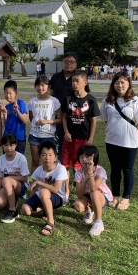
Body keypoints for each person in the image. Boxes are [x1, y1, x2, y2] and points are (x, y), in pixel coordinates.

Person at [100, 72, 138, 210]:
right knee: (115, 169)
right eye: (117, 82)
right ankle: (115, 196)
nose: (120, 85)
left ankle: (126, 198)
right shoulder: (107, 101)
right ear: (113, 84)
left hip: (130, 143)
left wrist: (135, 137)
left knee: (127, 170)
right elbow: (105, 119)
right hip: (112, 141)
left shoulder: (136, 101)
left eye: (123, 82)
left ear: (129, 84)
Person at [61, 69, 100, 198]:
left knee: (79, 166)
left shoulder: (91, 100)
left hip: (83, 139)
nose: (74, 83)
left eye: (77, 81)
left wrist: (91, 139)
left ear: (85, 83)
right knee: (65, 165)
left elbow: (94, 121)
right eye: (73, 81)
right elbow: (64, 117)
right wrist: (66, 132)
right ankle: (66, 190)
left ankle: (81, 192)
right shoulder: (68, 99)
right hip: (69, 139)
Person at [20, 140, 67, 236]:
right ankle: (45, 208)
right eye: (44, 155)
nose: (47, 158)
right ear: (40, 157)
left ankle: (50, 222)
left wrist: (39, 183)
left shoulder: (60, 168)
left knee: (44, 191)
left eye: (50, 155)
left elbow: (54, 189)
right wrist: (31, 200)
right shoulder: (38, 170)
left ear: (55, 157)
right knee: (26, 210)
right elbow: (33, 188)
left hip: (57, 197)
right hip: (42, 196)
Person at [49, 52, 85, 161]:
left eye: (72, 62)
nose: (68, 64)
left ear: (76, 64)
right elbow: (50, 95)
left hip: (75, 119)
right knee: (59, 147)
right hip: (58, 118)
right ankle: (61, 173)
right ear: (62, 63)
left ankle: (78, 174)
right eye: (66, 61)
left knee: (76, 149)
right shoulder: (55, 77)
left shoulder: (78, 78)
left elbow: (85, 96)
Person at [73, 145, 112, 236]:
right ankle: (90, 211)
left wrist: (90, 172)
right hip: (87, 196)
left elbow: (93, 188)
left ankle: (98, 222)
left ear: (94, 157)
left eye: (87, 156)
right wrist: (85, 180)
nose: (83, 159)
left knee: (93, 192)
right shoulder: (79, 172)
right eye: (81, 156)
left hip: (100, 196)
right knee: (78, 205)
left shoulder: (100, 171)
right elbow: (79, 195)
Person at [28, 75, 62, 173]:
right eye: (38, 85)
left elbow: (60, 119)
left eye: (43, 85)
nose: (40, 88)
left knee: (49, 162)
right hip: (34, 135)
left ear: (49, 86)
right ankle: (34, 184)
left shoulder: (54, 101)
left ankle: (48, 182)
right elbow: (31, 118)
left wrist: (47, 122)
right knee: (35, 161)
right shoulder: (32, 102)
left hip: (49, 136)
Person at [0, 133, 30, 224]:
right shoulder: (1, 159)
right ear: (2, 146)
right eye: (5, 145)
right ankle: (13, 198)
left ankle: (13, 210)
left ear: (16, 145)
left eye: (11, 145)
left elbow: (25, 178)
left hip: (21, 187)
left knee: (7, 180)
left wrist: (9, 177)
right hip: (6, 185)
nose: (8, 148)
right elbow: (0, 177)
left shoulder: (21, 158)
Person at [1, 80, 27, 154]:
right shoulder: (7, 106)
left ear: (15, 93)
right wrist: (5, 114)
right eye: (6, 93)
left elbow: (24, 120)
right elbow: (6, 123)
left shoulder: (21, 103)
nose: (8, 95)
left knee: (18, 161)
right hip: (7, 138)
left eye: (10, 93)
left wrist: (17, 111)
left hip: (19, 138)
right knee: (7, 161)